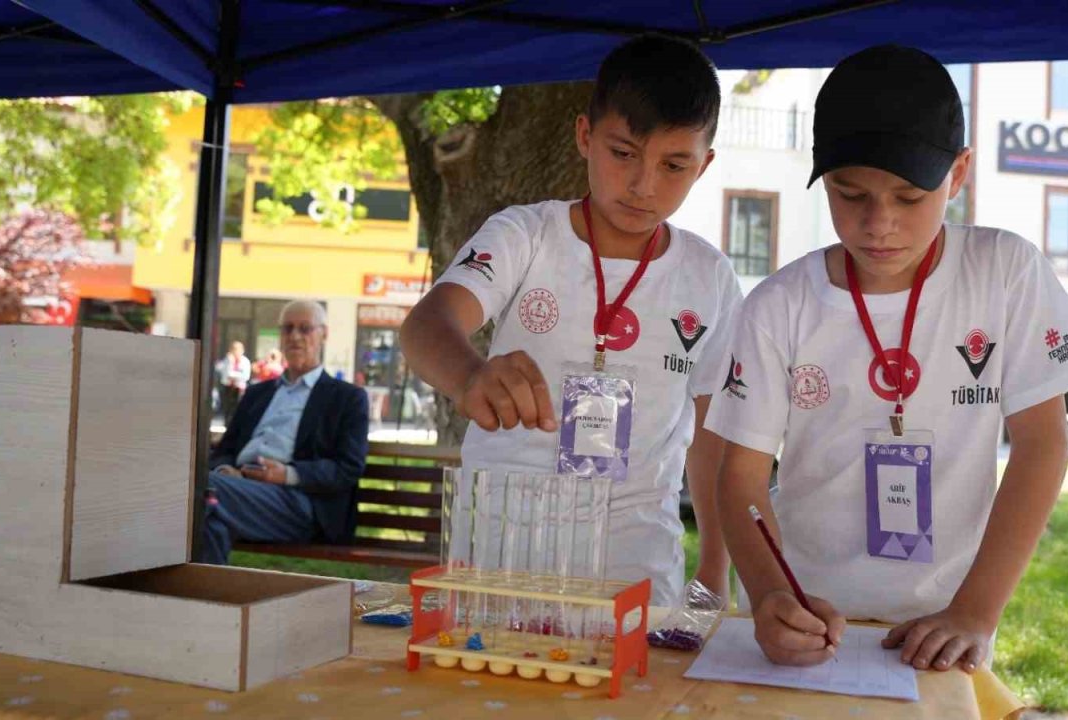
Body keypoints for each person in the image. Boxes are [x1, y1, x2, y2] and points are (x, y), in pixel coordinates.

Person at [705, 45, 1068, 672]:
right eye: (850, 194)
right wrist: (770, 594)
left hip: (943, 631)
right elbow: (742, 477)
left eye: (910, 196)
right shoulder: (779, 305)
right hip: (810, 620)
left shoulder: (1005, 273)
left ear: (959, 173)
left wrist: (977, 612)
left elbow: (1042, 445)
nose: (879, 224)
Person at [400, 34, 742, 607]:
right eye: (623, 153)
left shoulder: (708, 276)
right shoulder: (525, 235)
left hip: (634, 559)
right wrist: (470, 376)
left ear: (704, 165)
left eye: (674, 165)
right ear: (585, 137)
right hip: (505, 550)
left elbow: (712, 431)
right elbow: (426, 326)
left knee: (628, 695)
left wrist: (713, 562)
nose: (643, 185)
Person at [202, 300, 369, 565]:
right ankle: (208, 602)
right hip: (236, 488)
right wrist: (225, 471)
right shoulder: (257, 394)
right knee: (210, 521)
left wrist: (287, 475)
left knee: (198, 488)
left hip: (299, 502)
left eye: (305, 329)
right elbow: (225, 451)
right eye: (288, 329)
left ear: (323, 334)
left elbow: (348, 467)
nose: (295, 337)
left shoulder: (347, 398)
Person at [218, 341, 252, 426]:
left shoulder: (245, 361)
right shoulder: (228, 360)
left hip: (239, 388)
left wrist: (233, 375)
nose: (236, 352)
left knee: (237, 409)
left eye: (237, 350)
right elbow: (225, 375)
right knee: (227, 409)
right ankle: (227, 425)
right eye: (234, 350)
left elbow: (245, 376)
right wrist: (230, 363)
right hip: (228, 387)